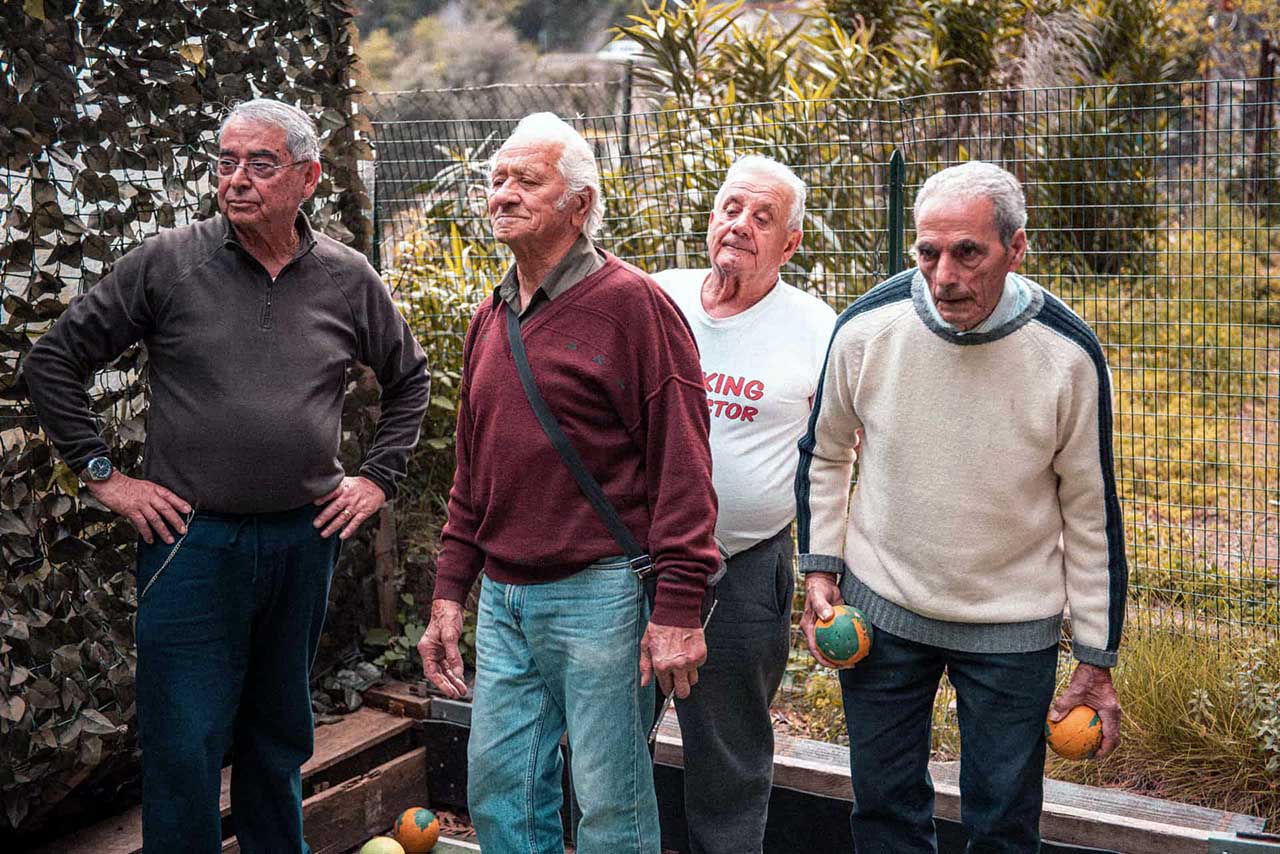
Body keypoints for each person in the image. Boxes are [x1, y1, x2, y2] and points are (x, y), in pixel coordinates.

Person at [22, 99, 431, 854]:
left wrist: (377, 479)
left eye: (260, 164)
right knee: (184, 746)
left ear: (307, 178)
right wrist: (105, 475)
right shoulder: (169, 263)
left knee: (278, 737)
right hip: (190, 542)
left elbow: (411, 379)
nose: (236, 180)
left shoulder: (347, 277)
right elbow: (53, 362)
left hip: (304, 541)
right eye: (226, 161)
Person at [796, 160, 1126, 852]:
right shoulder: (867, 329)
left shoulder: (1068, 356)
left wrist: (1095, 656)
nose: (944, 275)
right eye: (928, 252)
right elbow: (826, 453)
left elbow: (1091, 513)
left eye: (968, 252)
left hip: (1013, 628)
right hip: (883, 612)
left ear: (1017, 247)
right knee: (884, 813)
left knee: (1003, 826)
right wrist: (821, 568)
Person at [416, 112, 720, 854]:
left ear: (578, 205)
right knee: (499, 794)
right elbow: (472, 474)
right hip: (507, 601)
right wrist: (450, 594)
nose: (503, 195)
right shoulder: (491, 315)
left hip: (603, 596)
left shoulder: (634, 306)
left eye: (527, 180)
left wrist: (678, 603)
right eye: (496, 179)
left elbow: (684, 465)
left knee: (611, 806)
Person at [651, 155, 835, 854]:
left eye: (763, 219)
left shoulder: (817, 330)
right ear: (710, 219)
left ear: (790, 245)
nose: (741, 226)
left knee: (728, 759)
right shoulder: (654, 298)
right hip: (632, 564)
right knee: (607, 741)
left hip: (744, 571)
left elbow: (840, 459)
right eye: (731, 209)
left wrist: (826, 569)